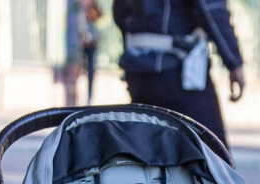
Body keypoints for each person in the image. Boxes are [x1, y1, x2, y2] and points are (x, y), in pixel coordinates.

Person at [112, 0, 245, 146]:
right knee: (212, 150)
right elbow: (211, 9)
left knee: (147, 152)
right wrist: (234, 63)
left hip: (138, 72)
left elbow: (120, 11)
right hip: (179, 73)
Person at [81, 0, 101, 105]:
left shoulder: (92, 6)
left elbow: (99, 14)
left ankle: (88, 97)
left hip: (91, 47)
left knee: (90, 73)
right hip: (80, 47)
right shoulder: (78, 8)